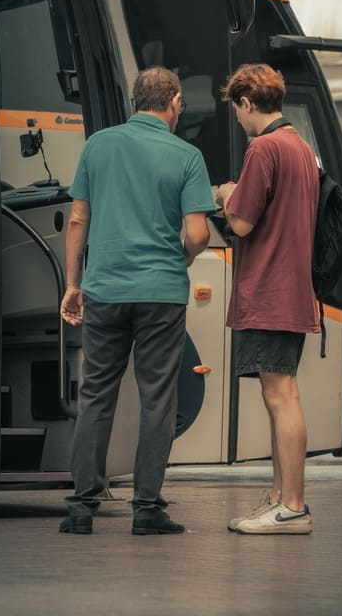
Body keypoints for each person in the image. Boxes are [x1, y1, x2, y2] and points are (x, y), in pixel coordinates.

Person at [59, 66, 215, 536]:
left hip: (104, 290)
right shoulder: (187, 156)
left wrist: (73, 284)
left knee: (96, 394)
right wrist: (182, 256)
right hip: (161, 295)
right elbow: (198, 233)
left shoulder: (98, 146)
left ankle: (83, 506)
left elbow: (78, 220)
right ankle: (146, 509)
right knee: (157, 399)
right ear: (172, 101)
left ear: (134, 100)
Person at [216, 63, 319, 535]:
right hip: (293, 290)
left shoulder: (263, 148)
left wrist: (226, 194)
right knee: (282, 393)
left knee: (281, 397)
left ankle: (293, 506)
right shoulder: (301, 146)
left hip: (268, 290)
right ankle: (280, 499)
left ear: (245, 102)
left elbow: (240, 224)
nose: (237, 119)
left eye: (235, 109)